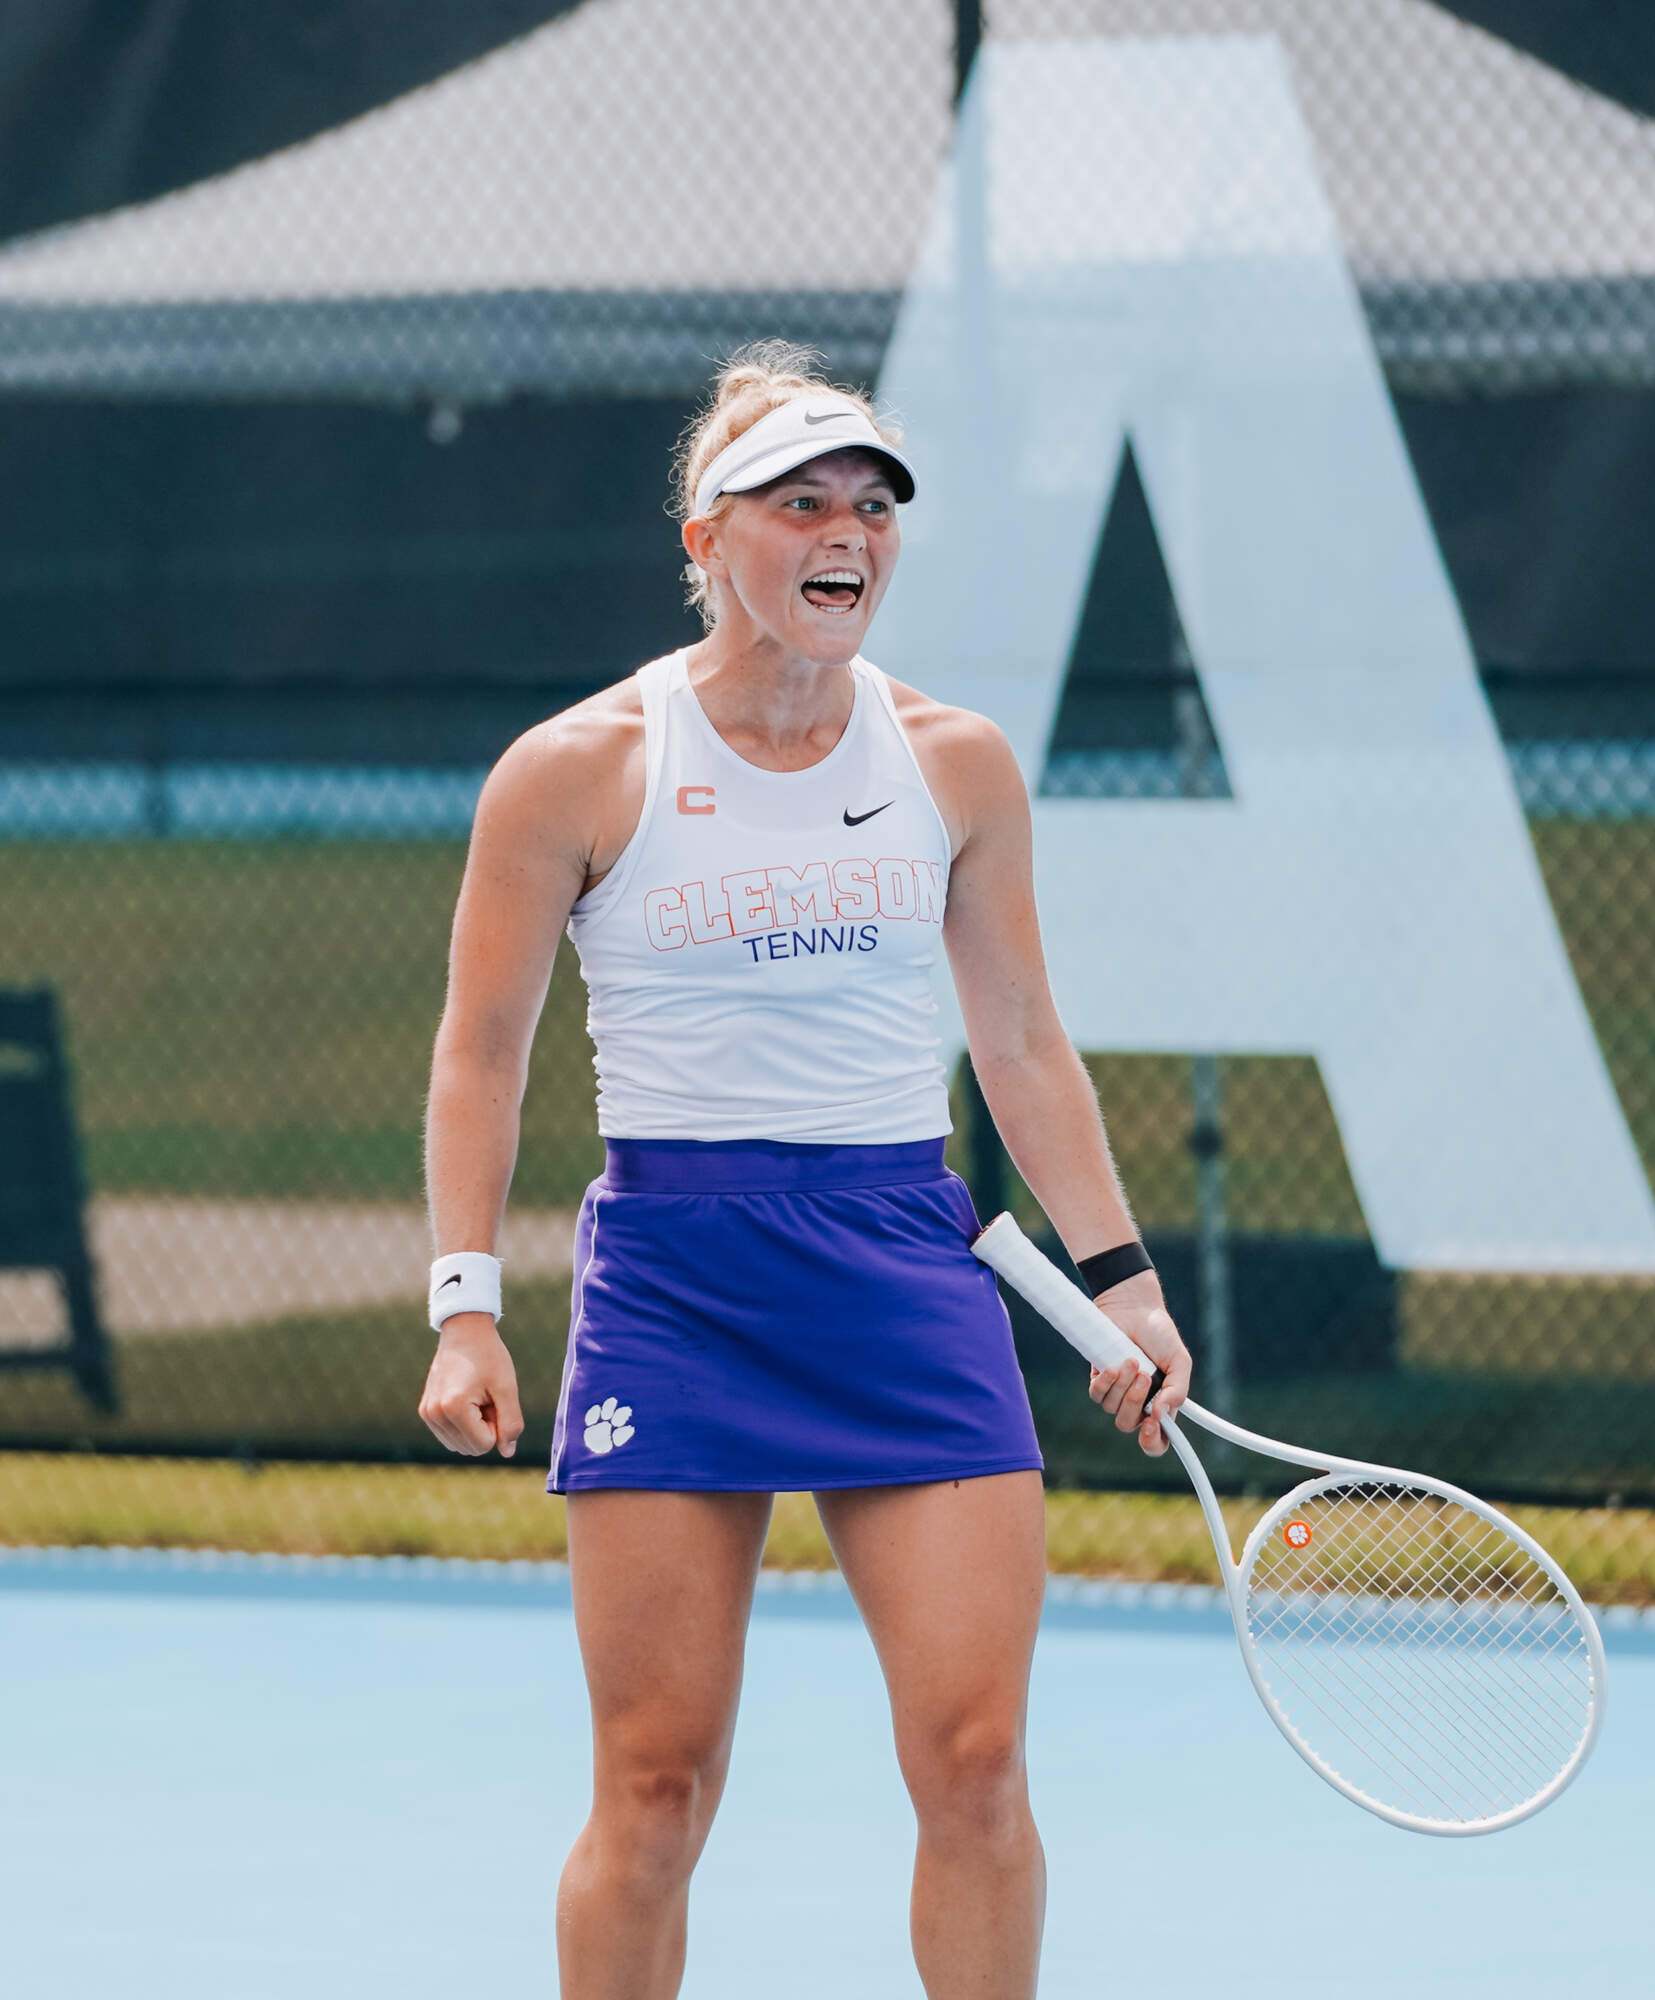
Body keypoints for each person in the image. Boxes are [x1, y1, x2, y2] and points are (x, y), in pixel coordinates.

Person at [418, 342, 1191, 2000]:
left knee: (977, 1766)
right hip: (676, 1282)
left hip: (903, 1267)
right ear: (708, 540)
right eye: (801, 503)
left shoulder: (954, 762)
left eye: (872, 506)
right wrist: (465, 1307)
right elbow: (481, 1049)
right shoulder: (575, 769)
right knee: (654, 1791)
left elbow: (1022, 1039)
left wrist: (1121, 1280)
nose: (848, 533)